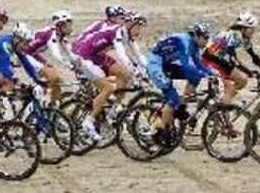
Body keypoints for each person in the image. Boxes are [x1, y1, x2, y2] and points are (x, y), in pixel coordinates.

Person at [73, 12, 148, 140]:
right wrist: (136, 71)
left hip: (98, 56)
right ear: (128, 24)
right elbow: (121, 55)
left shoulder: (128, 35)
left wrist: (147, 71)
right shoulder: (117, 32)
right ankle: (89, 121)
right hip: (85, 58)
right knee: (108, 88)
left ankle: (116, 107)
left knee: (124, 74)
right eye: (138, 27)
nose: (140, 30)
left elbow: (139, 56)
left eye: (141, 27)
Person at [145, 23, 214, 142]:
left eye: (208, 38)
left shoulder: (194, 45)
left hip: (166, 65)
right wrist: (204, 75)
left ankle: (181, 108)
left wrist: (212, 74)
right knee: (173, 98)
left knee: (194, 77)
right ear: (197, 36)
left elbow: (198, 64)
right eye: (205, 38)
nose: (207, 42)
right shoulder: (184, 42)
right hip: (155, 65)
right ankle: (157, 131)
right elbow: (186, 65)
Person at [202, 11, 260, 104]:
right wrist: (249, 71)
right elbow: (232, 59)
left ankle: (222, 110)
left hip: (219, 60)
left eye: (254, 29)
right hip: (209, 59)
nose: (253, 31)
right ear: (243, 28)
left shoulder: (244, 38)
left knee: (241, 81)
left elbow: (253, 56)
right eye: (251, 29)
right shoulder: (234, 35)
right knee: (235, 83)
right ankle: (220, 108)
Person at [23, 10, 81, 104]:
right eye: (69, 24)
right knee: (54, 77)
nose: (71, 27)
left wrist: (79, 63)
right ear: (61, 25)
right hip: (25, 54)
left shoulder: (60, 36)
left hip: (34, 54)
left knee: (57, 82)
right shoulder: (52, 34)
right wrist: (72, 67)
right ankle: (37, 94)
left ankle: (52, 108)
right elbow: (56, 55)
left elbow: (69, 54)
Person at [0, 22, 41, 93]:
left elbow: (25, 62)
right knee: (9, 85)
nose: (26, 47)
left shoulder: (12, 41)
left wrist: (37, 79)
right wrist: (14, 83)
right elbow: (5, 70)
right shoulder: (6, 45)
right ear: (17, 39)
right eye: (25, 43)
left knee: (16, 83)